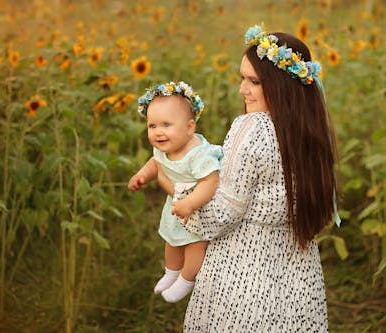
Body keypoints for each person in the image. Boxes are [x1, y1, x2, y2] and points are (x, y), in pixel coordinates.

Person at [157, 25, 340, 331]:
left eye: (254, 81)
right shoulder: (312, 130)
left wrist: (177, 189)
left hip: (243, 274)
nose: (243, 89)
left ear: (282, 84)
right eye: (242, 79)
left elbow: (224, 212)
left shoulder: (252, 128)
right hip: (298, 277)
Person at [128, 81, 222, 303]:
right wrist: (142, 175)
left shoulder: (198, 154)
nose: (158, 133)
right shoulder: (164, 147)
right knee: (171, 241)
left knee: (193, 246)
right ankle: (171, 272)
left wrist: (189, 203)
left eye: (166, 125)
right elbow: (155, 162)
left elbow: (211, 181)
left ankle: (186, 280)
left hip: (197, 210)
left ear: (190, 128)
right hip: (175, 207)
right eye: (152, 126)